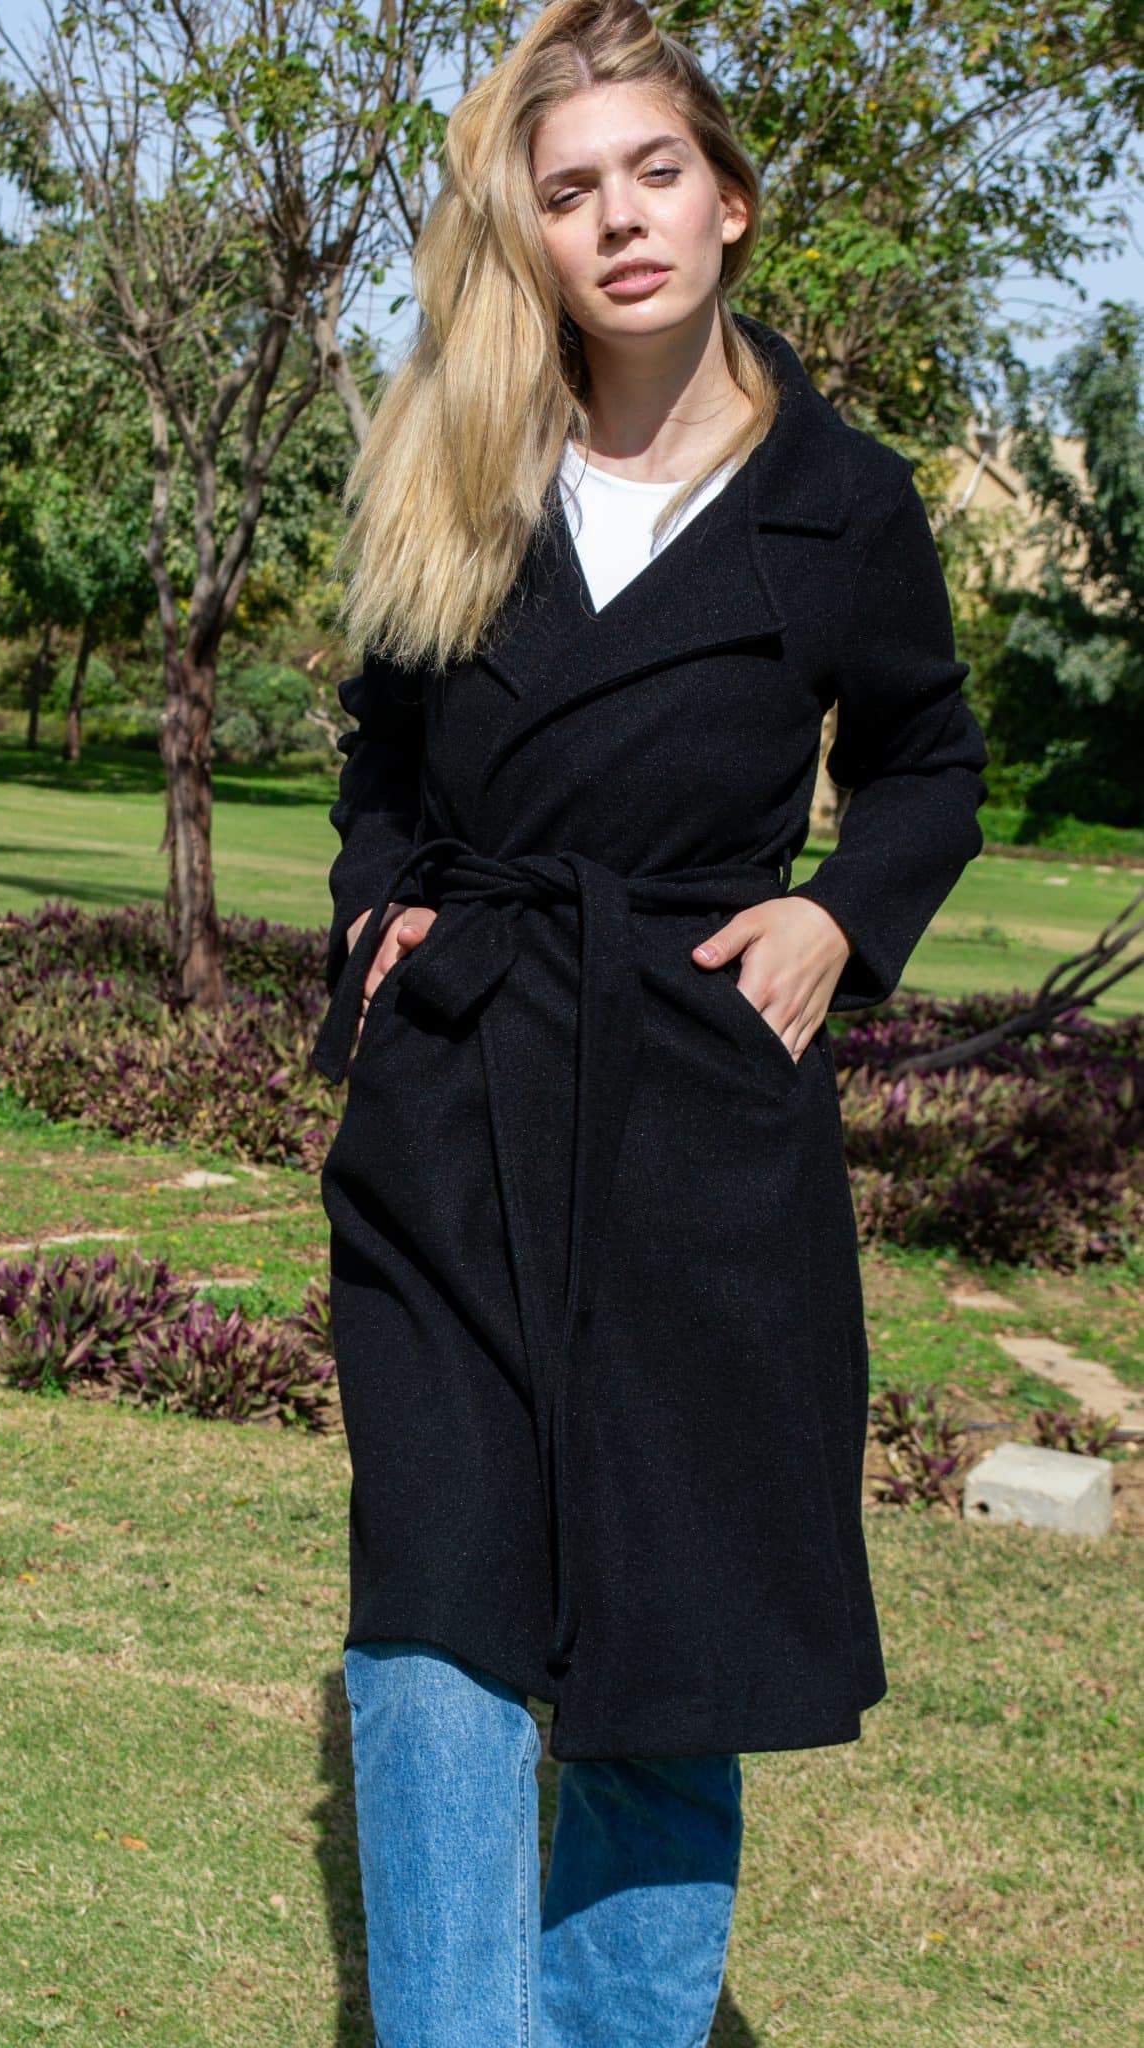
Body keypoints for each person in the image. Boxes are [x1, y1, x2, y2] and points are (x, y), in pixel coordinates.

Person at [310, 2, 990, 2042]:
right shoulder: (456, 457)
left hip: (697, 1109)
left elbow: (928, 762)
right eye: (568, 189)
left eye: (653, 173)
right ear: (525, 232)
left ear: (728, 202)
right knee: (433, 1614)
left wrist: (837, 919)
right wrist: (376, 909)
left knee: (667, 1629)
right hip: (455, 1091)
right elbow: (377, 756)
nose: (616, 220)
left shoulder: (839, 501)